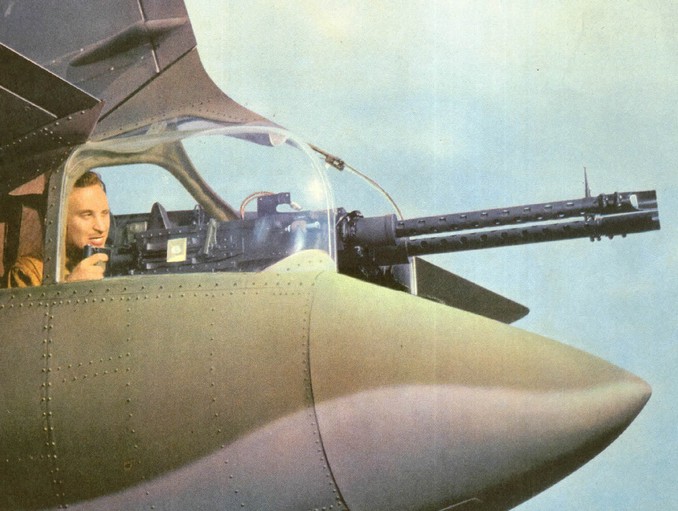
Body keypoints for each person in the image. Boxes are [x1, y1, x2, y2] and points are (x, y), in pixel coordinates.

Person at [6, 171, 110, 287]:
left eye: (105, 213)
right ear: (59, 219)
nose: (101, 227)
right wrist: (71, 287)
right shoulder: (29, 271)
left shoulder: (113, 264)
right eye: (87, 215)